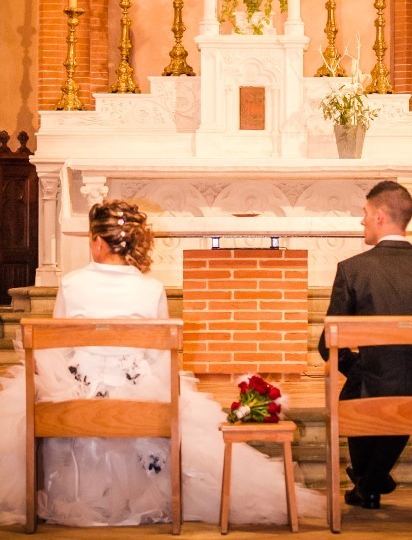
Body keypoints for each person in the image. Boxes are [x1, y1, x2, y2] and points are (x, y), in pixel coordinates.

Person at [0, 199, 324, 527]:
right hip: (139, 395)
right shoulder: (150, 288)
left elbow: (61, 350)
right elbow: (160, 357)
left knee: (33, 398)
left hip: (73, 398)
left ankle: (73, 492)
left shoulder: (71, 283)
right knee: (177, 405)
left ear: (98, 241)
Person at [318, 180, 412, 511]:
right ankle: (371, 482)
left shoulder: (352, 270)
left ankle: (367, 482)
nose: (362, 221)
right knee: (398, 387)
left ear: (381, 217)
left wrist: (359, 368)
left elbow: (326, 343)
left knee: (360, 386)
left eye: (365, 214)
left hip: (369, 388)